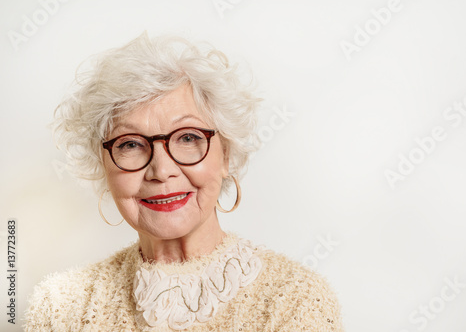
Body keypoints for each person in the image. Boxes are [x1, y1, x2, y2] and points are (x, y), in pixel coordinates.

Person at [24, 32, 344, 331]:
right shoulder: (58, 307)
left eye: (188, 137)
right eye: (130, 144)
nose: (161, 170)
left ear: (226, 155)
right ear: (102, 164)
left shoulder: (296, 300)